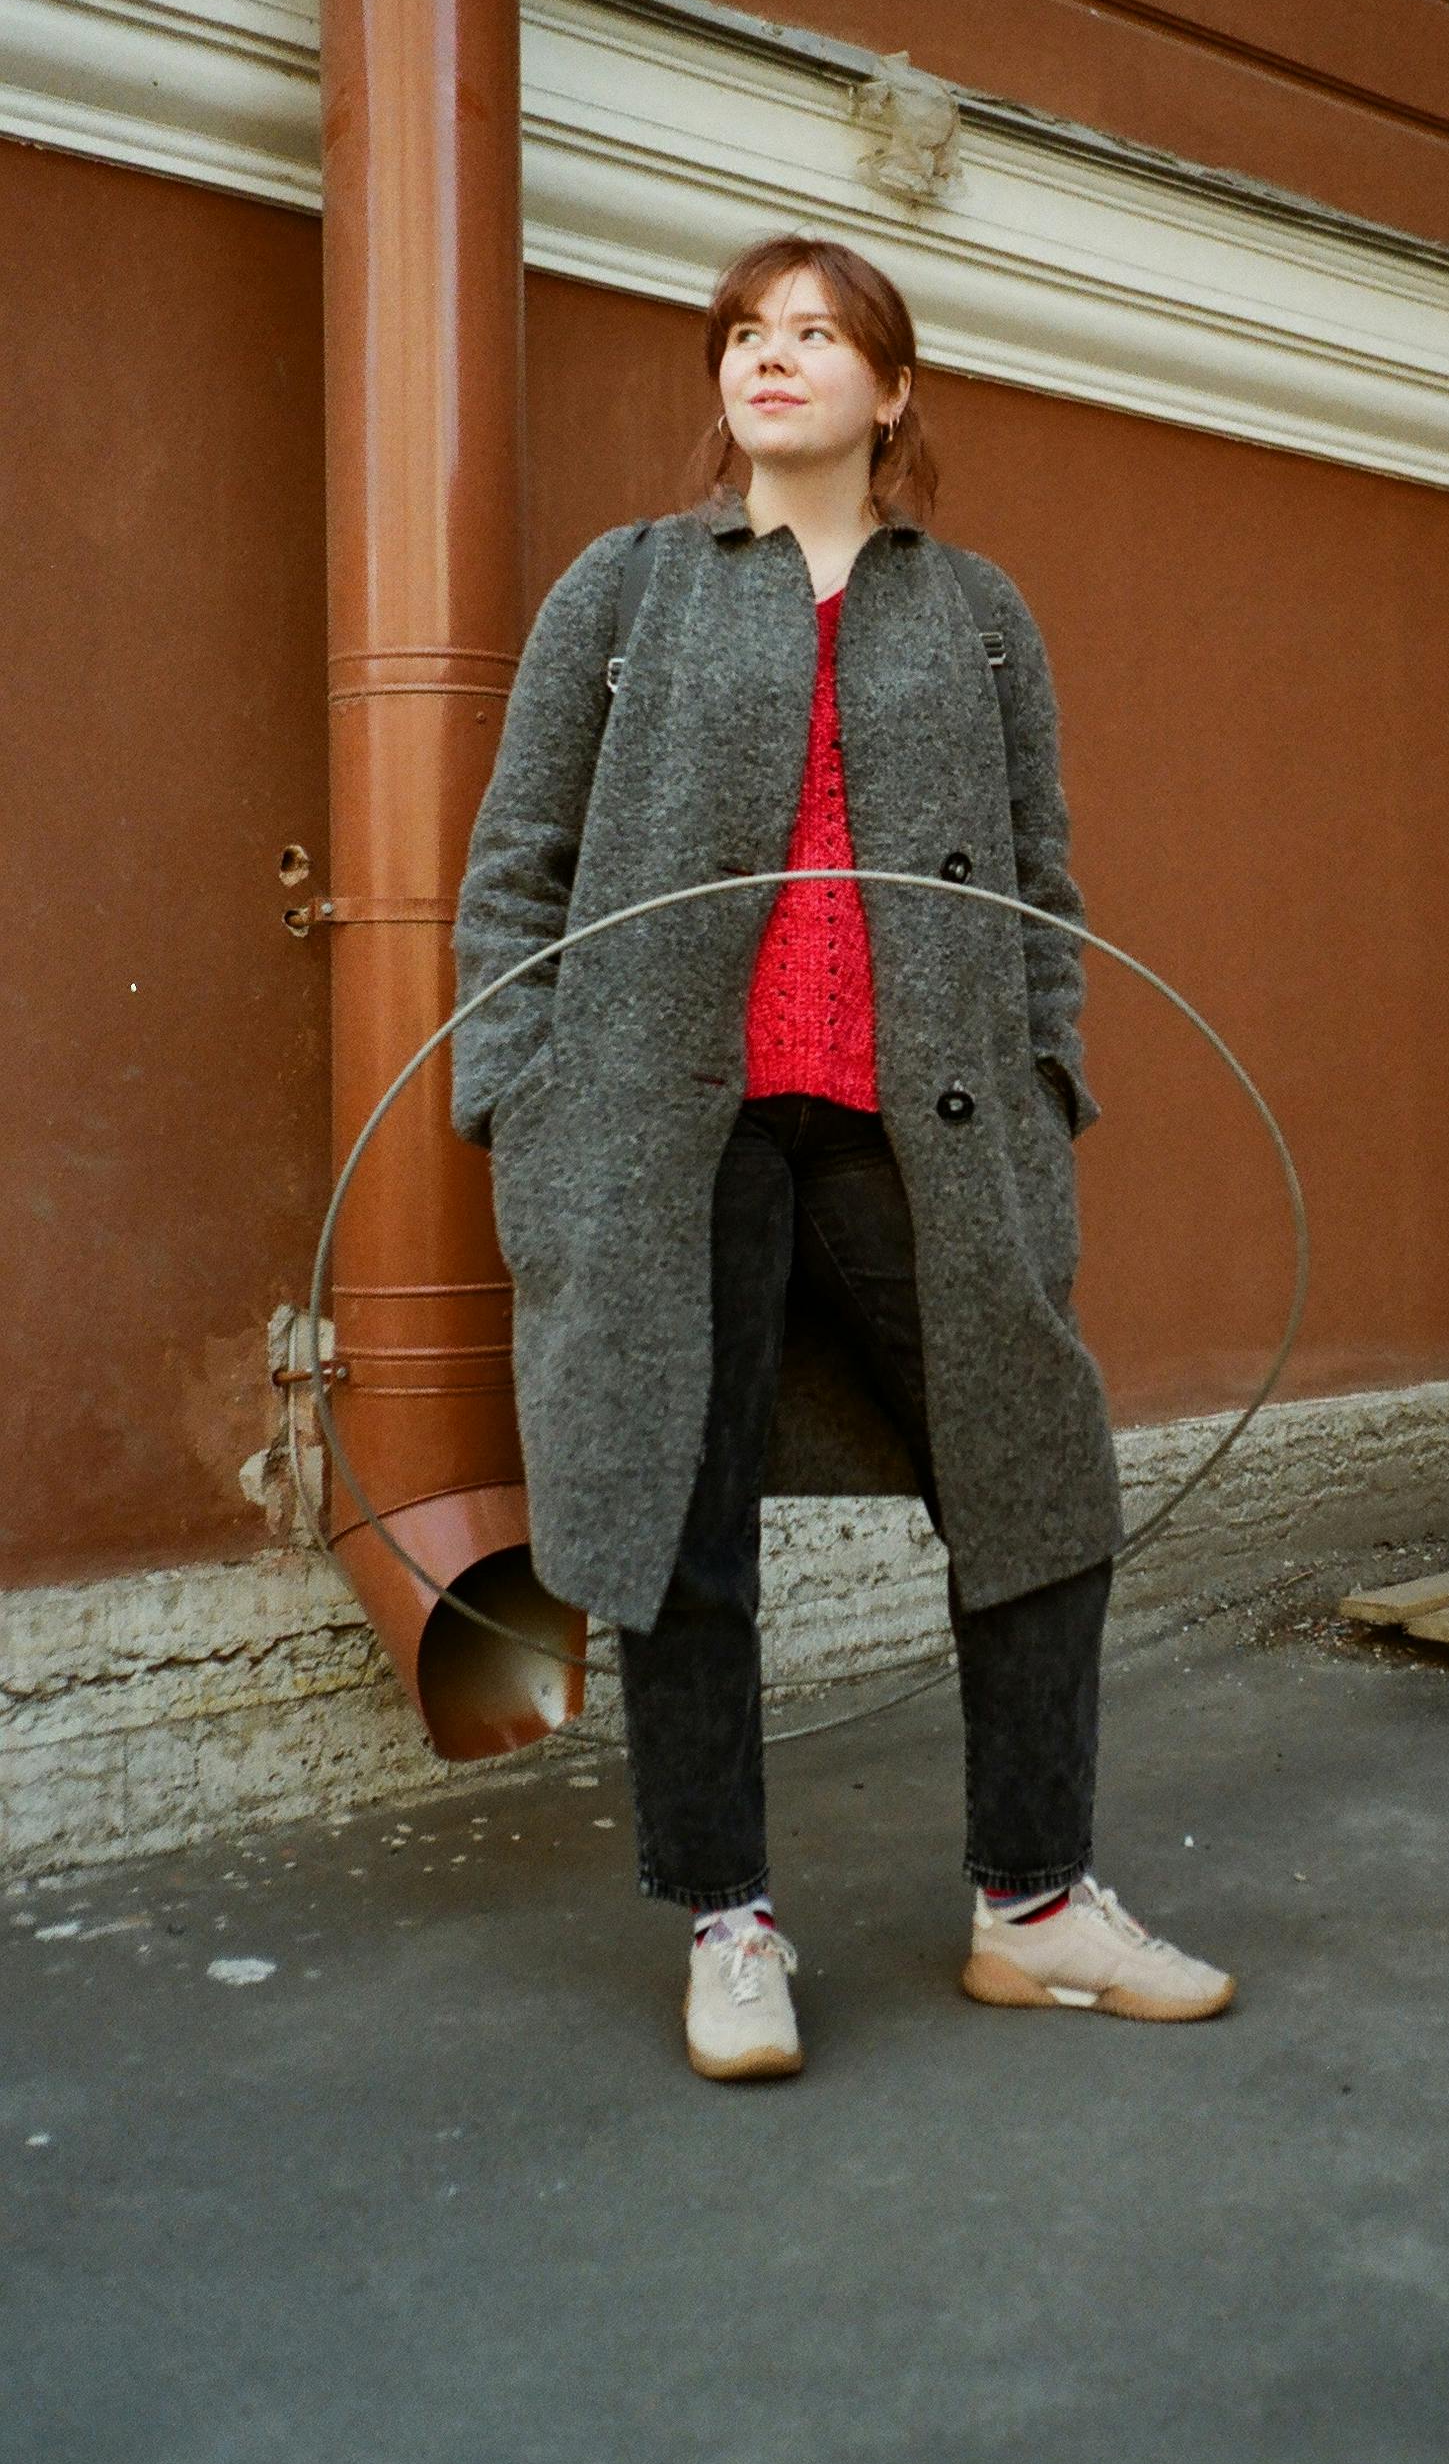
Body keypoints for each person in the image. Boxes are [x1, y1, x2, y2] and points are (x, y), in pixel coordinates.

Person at [452, 233, 1233, 2082]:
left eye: (816, 334)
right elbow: (516, 867)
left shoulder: (975, 615)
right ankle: (728, 1923)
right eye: (745, 331)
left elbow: (1046, 885)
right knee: (683, 1509)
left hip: (927, 1125)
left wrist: (1047, 1076)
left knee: (1037, 1476)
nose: (770, 357)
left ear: (893, 391)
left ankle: (1033, 1905)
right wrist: (523, 1089)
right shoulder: (623, 590)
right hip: (666, 1132)